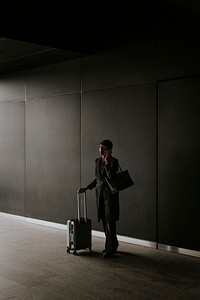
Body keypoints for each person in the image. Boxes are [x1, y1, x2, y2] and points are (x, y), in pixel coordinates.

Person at [79, 139, 119, 258]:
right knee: (104, 219)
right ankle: (114, 244)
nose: (101, 149)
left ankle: (110, 249)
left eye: (104, 148)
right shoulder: (97, 161)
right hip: (100, 194)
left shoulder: (113, 161)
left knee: (110, 221)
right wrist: (87, 188)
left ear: (109, 150)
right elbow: (97, 179)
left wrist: (107, 163)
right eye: (100, 147)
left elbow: (111, 176)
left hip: (110, 196)